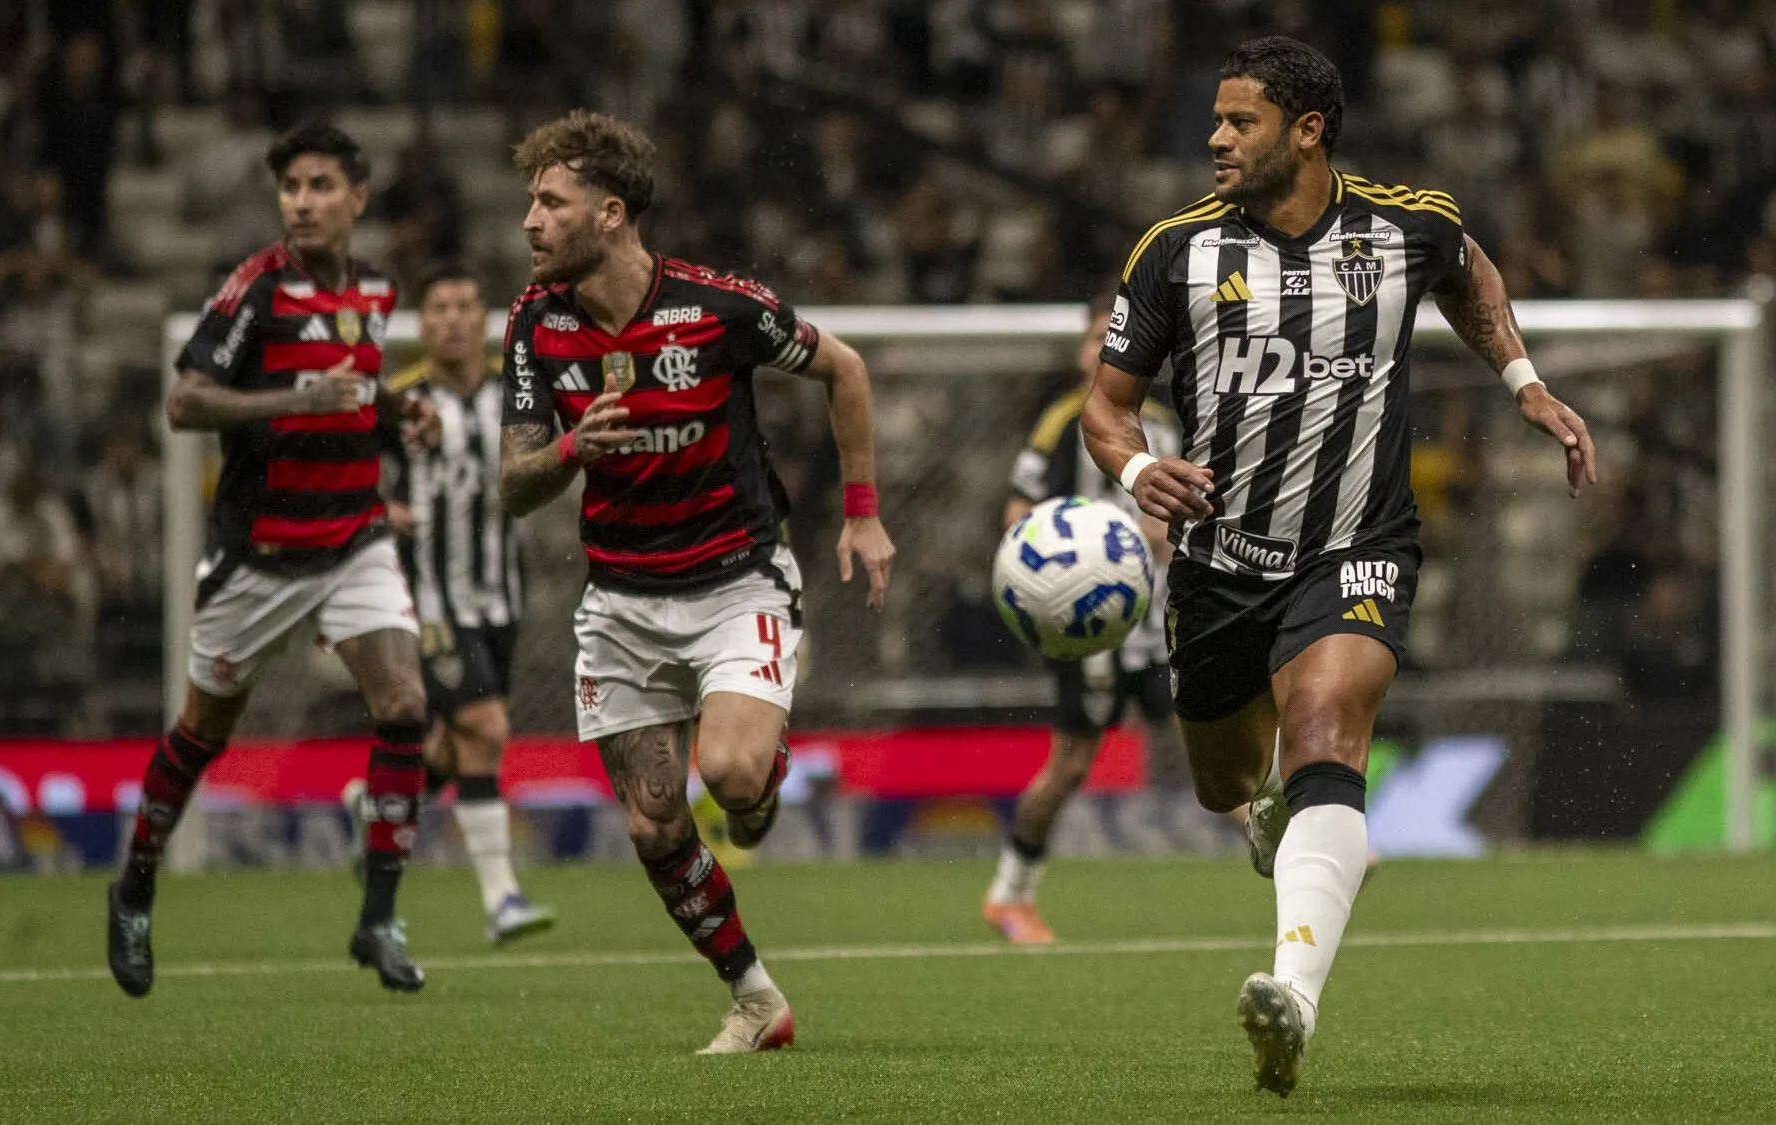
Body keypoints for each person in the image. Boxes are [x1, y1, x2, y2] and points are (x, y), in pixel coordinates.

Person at [1082, 38, 1598, 1096]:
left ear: (1307, 131)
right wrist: (1136, 466)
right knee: (1226, 783)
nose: (1215, 139)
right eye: (1216, 120)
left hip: (1356, 545)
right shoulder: (1174, 251)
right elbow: (1106, 404)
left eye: (1240, 122)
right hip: (1220, 563)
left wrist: (1523, 381)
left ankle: (1293, 999)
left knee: (1324, 726)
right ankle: (1274, 806)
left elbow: (1470, 273)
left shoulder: (1406, 226)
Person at [498, 110, 894, 1054]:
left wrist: (864, 512)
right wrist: (569, 449)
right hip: (620, 599)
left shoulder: (717, 307)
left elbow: (844, 369)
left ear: (611, 212)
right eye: (530, 202)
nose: (530, 221)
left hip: (736, 580)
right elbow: (513, 485)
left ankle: (760, 778)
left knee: (732, 776)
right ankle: (756, 999)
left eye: (550, 202)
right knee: (653, 822)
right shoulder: (534, 320)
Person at [105, 122, 442, 998]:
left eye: (320, 185)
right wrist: (292, 398)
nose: (302, 201)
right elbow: (185, 404)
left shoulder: (376, 289)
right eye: (291, 186)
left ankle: (379, 918)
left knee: (405, 706)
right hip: (258, 556)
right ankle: (134, 885)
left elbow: (353, 393)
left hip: (355, 538)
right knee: (200, 737)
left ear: (357, 197)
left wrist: (399, 415)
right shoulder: (255, 287)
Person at [344, 264, 555, 944]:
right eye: (439, 308)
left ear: (484, 319)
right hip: (427, 600)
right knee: (487, 728)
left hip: (501, 596)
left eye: (466, 305)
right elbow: (333, 467)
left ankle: (378, 807)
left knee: (459, 743)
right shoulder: (400, 402)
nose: (454, 319)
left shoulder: (514, 397)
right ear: (422, 323)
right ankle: (502, 899)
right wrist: (376, 510)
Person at [982, 292, 1184, 945]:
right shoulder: (1061, 421)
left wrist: (1175, 534)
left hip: (1161, 620)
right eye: (1096, 338)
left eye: (1114, 338)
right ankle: (1010, 893)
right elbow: (1018, 514)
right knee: (1070, 766)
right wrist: (1077, 554)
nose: (1104, 349)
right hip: (1090, 624)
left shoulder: (1166, 423)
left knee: (1212, 744)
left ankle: (1305, 859)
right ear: (1080, 351)